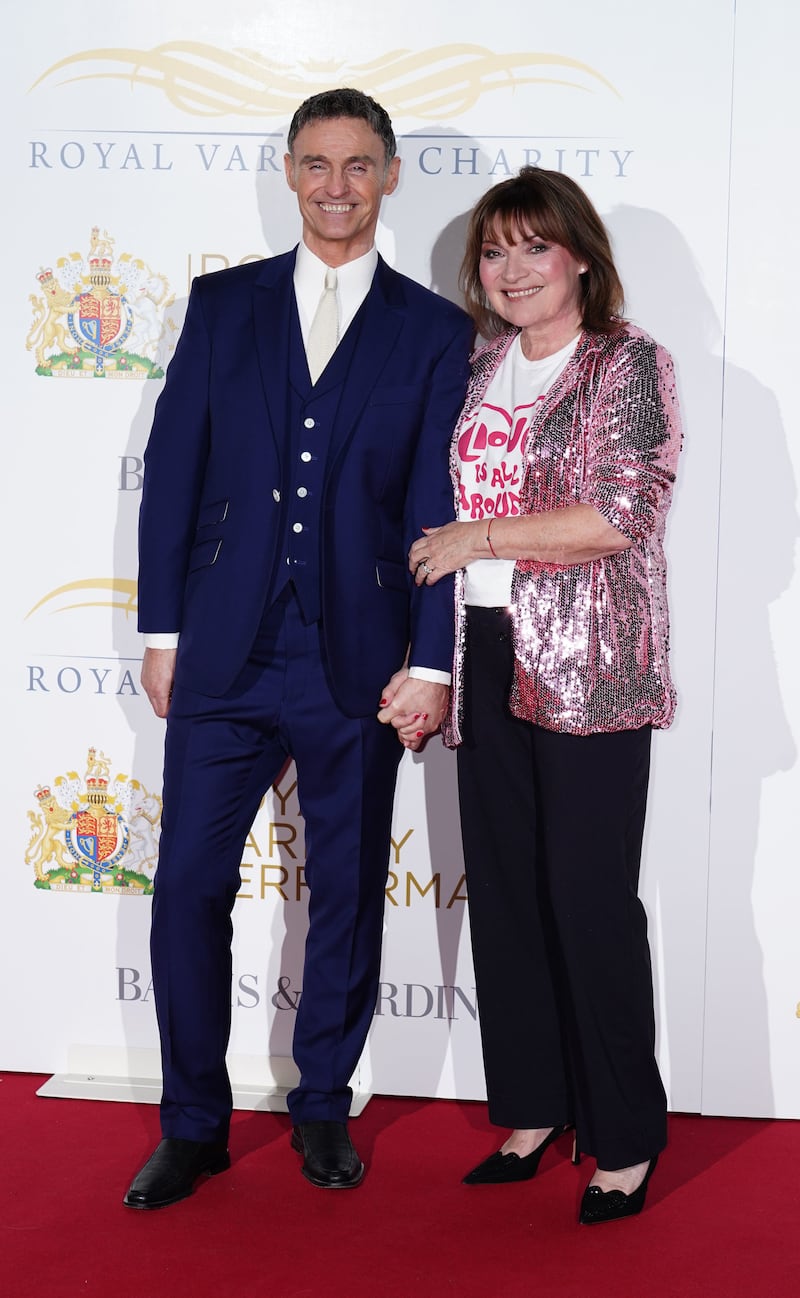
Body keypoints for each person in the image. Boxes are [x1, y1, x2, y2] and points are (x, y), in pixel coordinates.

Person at [124, 87, 472, 1210]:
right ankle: (192, 1122)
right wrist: (163, 627)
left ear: (388, 176)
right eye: (315, 164)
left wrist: (429, 659)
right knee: (184, 886)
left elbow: (434, 501)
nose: (335, 186)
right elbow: (173, 474)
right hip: (222, 652)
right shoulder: (221, 305)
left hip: (359, 660)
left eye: (357, 165)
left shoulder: (432, 330)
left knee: (350, 891)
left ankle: (323, 1099)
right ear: (287, 172)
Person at [408, 167, 682, 1225]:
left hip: (589, 664)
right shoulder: (476, 364)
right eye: (493, 250)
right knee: (510, 897)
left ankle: (622, 1136)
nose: (511, 269)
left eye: (532, 246)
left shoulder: (626, 362)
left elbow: (618, 514)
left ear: (577, 255)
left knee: (588, 900)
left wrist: (476, 538)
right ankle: (529, 1108)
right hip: (481, 652)